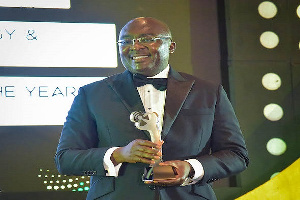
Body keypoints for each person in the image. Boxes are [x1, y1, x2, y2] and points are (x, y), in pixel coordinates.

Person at [55, 17, 249, 200]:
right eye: (125, 41)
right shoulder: (91, 94)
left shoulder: (208, 92)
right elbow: (66, 159)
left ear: (171, 46)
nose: (135, 46)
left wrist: (191, 168)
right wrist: (119, 154)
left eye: (147, 39)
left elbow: (236, 155)